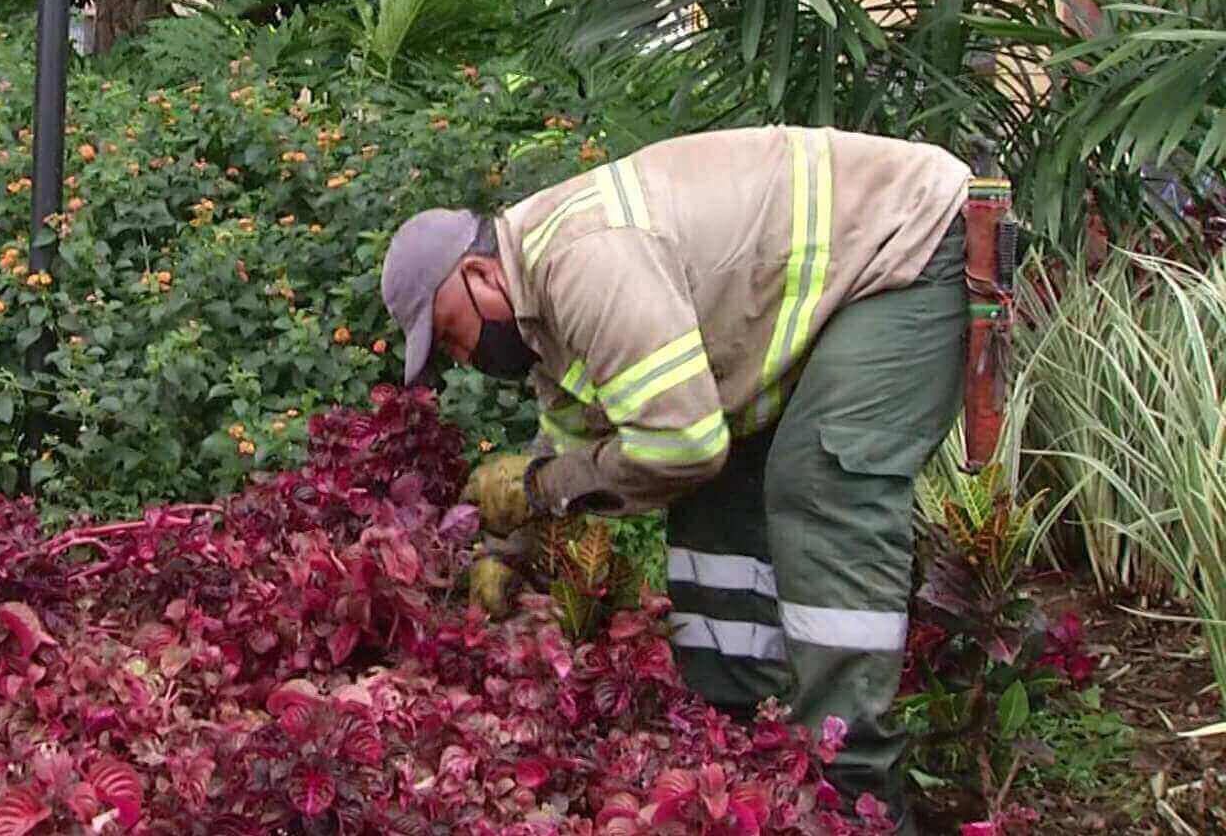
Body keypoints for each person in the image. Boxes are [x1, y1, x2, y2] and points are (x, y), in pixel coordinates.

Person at [381, 125, 976, 833]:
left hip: (901, 244)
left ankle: (855, 789)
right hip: (827, 290)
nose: (463, 356)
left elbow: (681, 443)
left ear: (480, 277)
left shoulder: (582, 261)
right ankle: (740, 735)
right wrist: (506, 549)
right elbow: (575, 450)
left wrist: (541, 487)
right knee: (711, 502)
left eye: (453, 334)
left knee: (820, 486)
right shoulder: (547, 320)